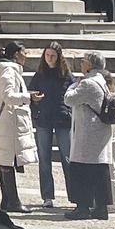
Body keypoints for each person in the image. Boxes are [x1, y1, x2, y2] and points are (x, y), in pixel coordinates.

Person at [65, 50, 115, 220]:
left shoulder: (88, 84)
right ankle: (101, 208)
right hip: (100, 133)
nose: (80, 63)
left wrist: (73, 84)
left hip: (87, 135)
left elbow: (69, 99)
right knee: (98, 172)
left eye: (83, 61)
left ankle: (82, 207)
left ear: (89, 65)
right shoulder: (103, 82)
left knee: (82, 171)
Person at [28, 41, 74, 210]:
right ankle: (47, 196)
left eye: (53, 55)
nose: (50, 58)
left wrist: (69, 111)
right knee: (44, 160)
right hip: (44, 120)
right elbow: (30, 92)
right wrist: (33, 98)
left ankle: (75, 195)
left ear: (59, 57)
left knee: (67, 159)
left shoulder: (67, 75)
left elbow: (74, 92)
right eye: (47, 55)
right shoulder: (39, 74)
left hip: (63, 120)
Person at [0, 42, 34, 214]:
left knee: (7, 160)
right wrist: (27, 97)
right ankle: (12, 201)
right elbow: (7, 96)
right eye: (24, 52)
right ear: (16, 54)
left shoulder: (10, 70)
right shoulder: (8, 71)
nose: (26, 55)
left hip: (12, 120)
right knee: (8, 160)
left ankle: (8, 200)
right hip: (10, 121)